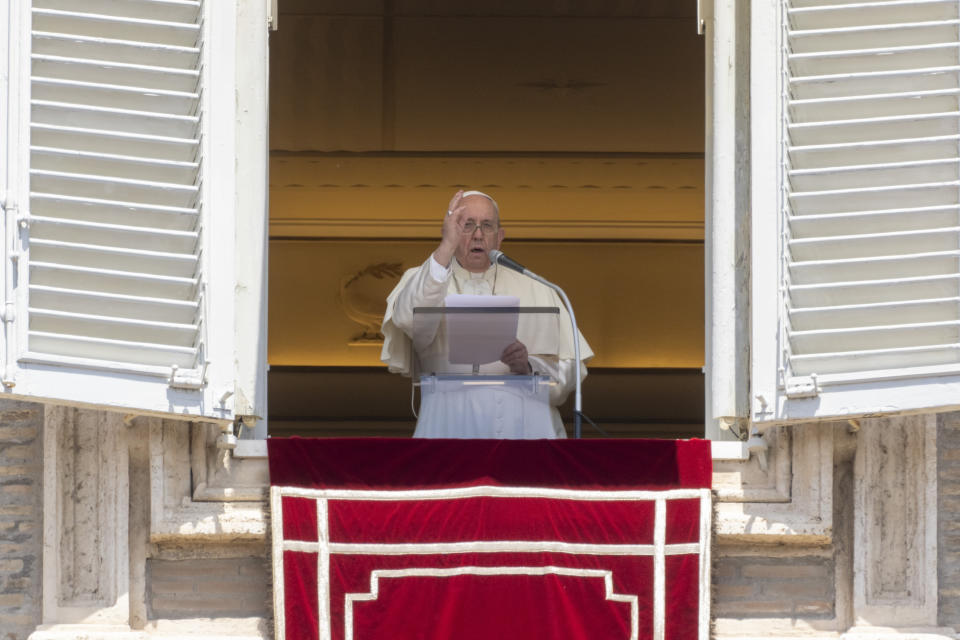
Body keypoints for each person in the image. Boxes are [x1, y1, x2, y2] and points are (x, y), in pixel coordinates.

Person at [381, 190, 593, 438]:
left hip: (523, 427)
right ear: (450, 231)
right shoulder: (423, 278)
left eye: (487, 226)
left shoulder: (539, 288)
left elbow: (572, 369)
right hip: (449, 420)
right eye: (466, 225)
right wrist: (446, 247)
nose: (478, 234)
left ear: (499, 237)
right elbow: (409, 321)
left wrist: (529, 366)